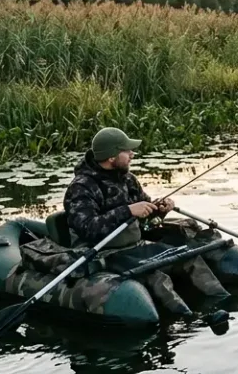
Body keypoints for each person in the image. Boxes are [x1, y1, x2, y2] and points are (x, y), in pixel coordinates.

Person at [62, 126, 229, 315]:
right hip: (104, 252)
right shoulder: (81, 188)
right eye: (127, 150)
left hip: (136, 245)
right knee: (155, 276)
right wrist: (127, 210)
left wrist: (160, 209)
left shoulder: (128, 179)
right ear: (111, 157)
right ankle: (190, 318)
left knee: (188, 257)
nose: (132, 154)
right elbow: (87, 228)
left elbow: (146, 212)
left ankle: (225, 302)